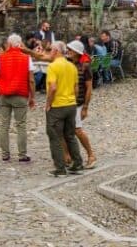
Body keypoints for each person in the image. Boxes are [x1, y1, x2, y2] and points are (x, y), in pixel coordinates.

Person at [0, 34, 35, 162]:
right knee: (21, 125)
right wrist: (32, 97)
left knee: (4, 125)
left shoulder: (1, 58)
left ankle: (5, 154)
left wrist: (0, 85)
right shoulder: (27, 58)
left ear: (8, 44)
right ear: (20, 44)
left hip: (4, 95)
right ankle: (22, 155)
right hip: (20, 94)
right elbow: (31, 80)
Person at [45, 41, 83, 176]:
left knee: (55, 137)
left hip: (57, 106)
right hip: (71, 104)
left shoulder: (53, 67)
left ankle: (60, 168)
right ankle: (77, 164)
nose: (49, 52)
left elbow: (53, 87)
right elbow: (76, 88)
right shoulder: (72, 66)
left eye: (50, 50)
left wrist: (48, 103)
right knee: (70, 136)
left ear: (56, 51)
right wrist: (73, 100)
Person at [65, 40, 96, 169]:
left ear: (77, 53)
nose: (68, 52)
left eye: (71, 50)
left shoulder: (85, 67)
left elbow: (89, 87)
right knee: (64, 131)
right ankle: (68, 156)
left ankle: (91, 155)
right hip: (67, 102)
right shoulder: (67, 65)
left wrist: (85, 107)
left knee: (77, 130)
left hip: (78, 103)